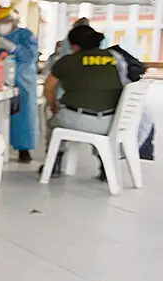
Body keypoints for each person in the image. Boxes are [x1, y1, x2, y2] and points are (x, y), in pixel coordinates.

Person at [42, 25, 123, 177]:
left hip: (77, 119)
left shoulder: (67, 61)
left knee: (52, 121)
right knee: (100, 121)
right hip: (111, 122)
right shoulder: (114, 58)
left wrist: (53, 106)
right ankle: (105, 166)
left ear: (74, 46)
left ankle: (54, 163)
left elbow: (49, 87)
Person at [0, 6, 40, 163]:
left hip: (22, 82)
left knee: (23, 115)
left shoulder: (26, 35)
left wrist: (14, 48)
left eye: (3, 21)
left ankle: (24, 149)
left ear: (12, 21)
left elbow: (30, 57)